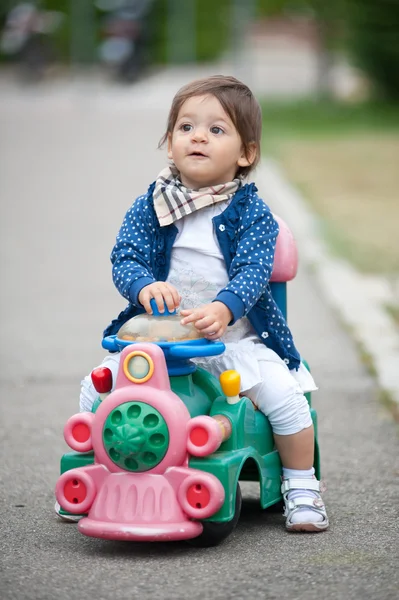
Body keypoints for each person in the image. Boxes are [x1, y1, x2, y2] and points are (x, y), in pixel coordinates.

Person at [80, 75, 328, 532]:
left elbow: (254, 271)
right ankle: (95, 474)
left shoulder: (251, 213)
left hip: (232, 341)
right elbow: (126, 257)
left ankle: (301, 483)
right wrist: (142, 287)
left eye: (217, 130)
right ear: (169, 144)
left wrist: (225, 307)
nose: (198, 136)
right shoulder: (150, 206)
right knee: (94, 389)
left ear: (245, 153)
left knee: (285, 400)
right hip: (160, 347)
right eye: (186, 127)